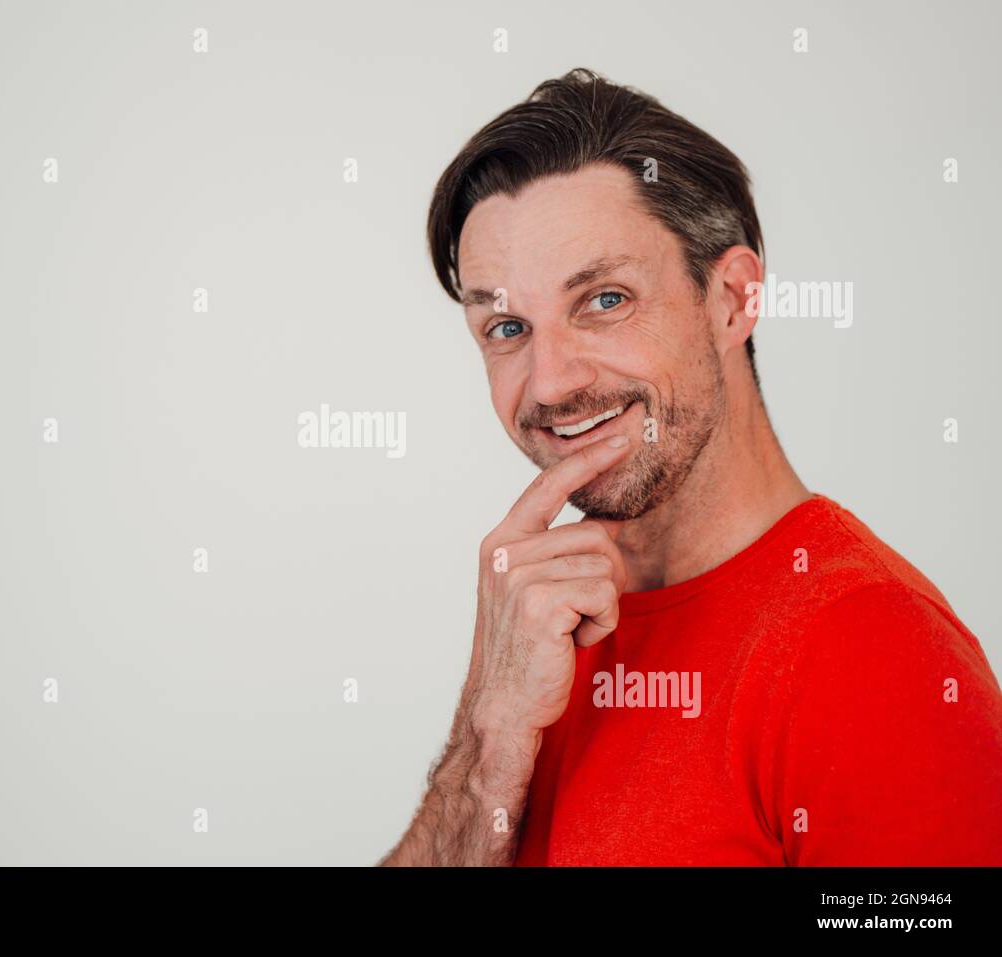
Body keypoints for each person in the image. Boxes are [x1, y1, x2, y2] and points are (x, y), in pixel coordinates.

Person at [378, 68, 1002, 866]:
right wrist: (487, 741)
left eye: (604, 299)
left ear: (733, 297)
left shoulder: (874, 653)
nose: (552, 382)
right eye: (506, 325)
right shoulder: (535, 632)